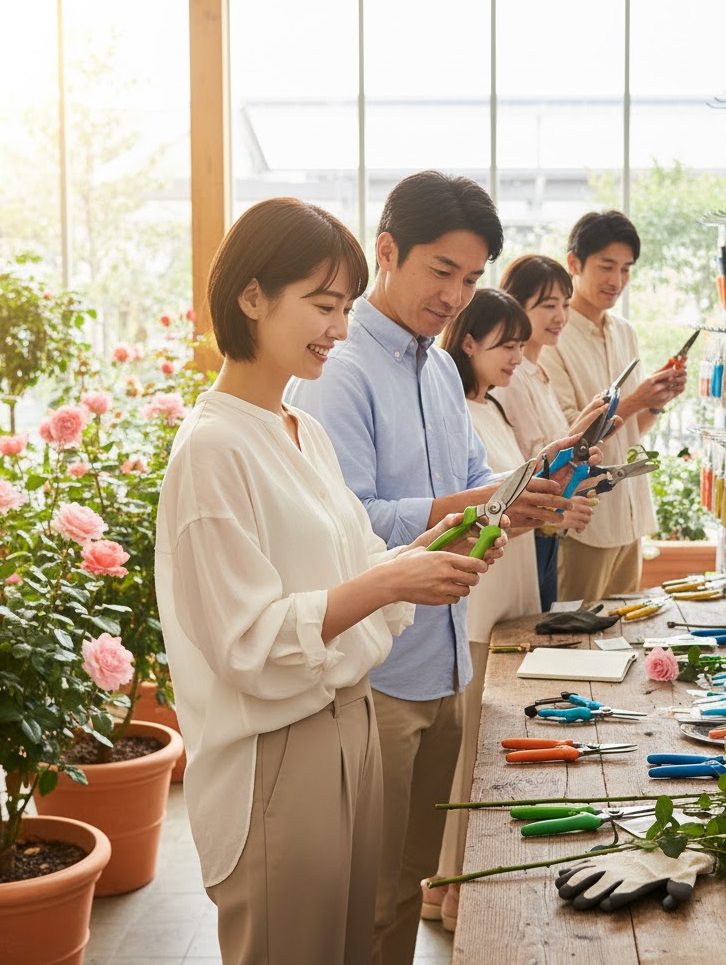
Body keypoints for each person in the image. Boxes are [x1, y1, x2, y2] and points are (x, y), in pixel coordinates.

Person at [155, 197, 498, 965]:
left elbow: (349, 564)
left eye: (344, 307)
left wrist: (416, 559)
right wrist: (387, 585)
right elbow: (249, 642)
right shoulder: (213, 450)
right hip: (275, 752)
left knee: (353, 943)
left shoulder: (298, 428)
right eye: (321, 305)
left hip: (349, 724)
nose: (339, 330)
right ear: (252, 297)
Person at [286, 171, 595, 965]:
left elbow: (467, 490)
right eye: (441, 271)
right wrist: (476, 503)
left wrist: (522, 496)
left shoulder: (433, 366)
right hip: (378, 671)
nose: (457, 294)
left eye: (471, 277)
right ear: (386, 251)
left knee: (414, 876)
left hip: (445, 656)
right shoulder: (338, 367)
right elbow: (344, 526)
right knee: (371, 893)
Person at [429, 288, 541, 927]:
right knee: (470, 750)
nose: (517, 358)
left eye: (521, 345)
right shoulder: (453, 411)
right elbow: (465, 506)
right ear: (467, 341)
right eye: (506, 344)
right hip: (475, 596)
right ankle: (448, 887)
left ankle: (453, 885)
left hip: (507, 587)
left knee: (487, 744)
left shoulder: (491, 406)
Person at [538, 210, 687, 601]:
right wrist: (636, 398)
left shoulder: (624, 332)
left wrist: (656, 402)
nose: (616, 281)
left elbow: (631, 433)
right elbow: (568, 437)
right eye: (606, 266)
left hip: (629, 517)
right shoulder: (554, 336)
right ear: (574, 263)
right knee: (571, 638)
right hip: (585, 523)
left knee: (619, 639)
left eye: (625, 269)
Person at [497, 254, 615, 610]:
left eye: (564, 304)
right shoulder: (512, 378)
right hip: (523, 533)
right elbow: (529, 465)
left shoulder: (537, 371)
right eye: (548, 305)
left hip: (543, 530)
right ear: (515, 305)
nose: (560, 316)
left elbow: (553, 456)